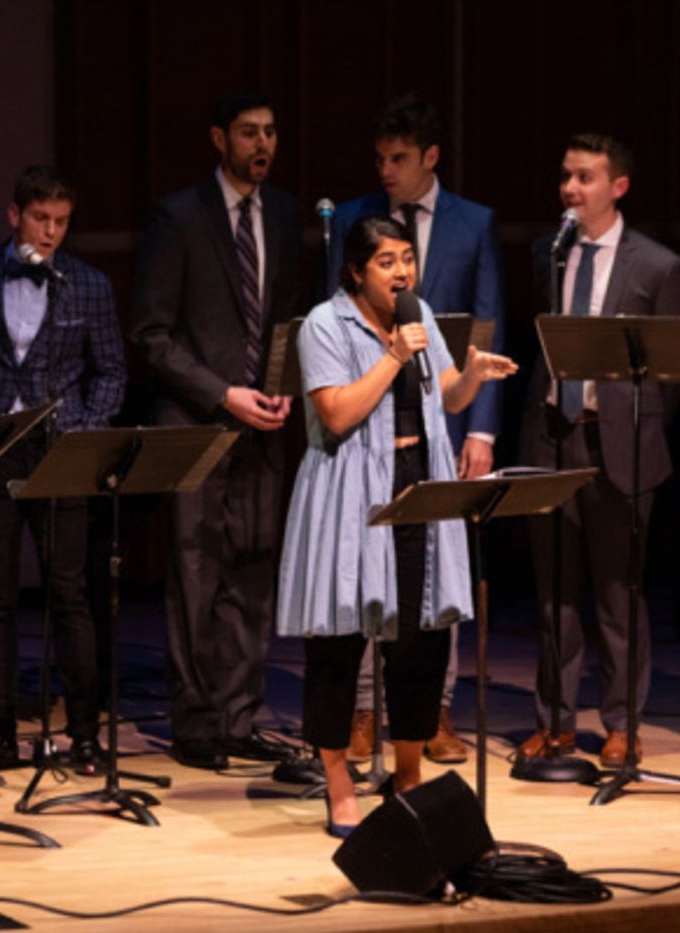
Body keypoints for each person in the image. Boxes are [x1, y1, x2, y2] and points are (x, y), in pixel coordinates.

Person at [278, 216, 516, 836]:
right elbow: (336, 414)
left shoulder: (419, 314)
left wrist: (471, 375)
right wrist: (392, 356)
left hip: (417, 484)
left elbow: (447, 397)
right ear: (357, 271)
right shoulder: (324, 324)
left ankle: (407, 774)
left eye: (407, 257)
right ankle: (339, 781)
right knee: (339, 643)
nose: (403, 271)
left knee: (420, 638)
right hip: (349, 494)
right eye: (387, 261)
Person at [325, 94, 507, 764]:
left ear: (430, 157)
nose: (386, 170)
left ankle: (434, 713)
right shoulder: (353, 221)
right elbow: (332, 325)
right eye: (379, 158)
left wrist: (480, 430)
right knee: (369, 572)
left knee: (436, 572)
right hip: (366, 428)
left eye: (398, 158)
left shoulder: (474, 223)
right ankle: (365, 710)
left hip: (434, 425)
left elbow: (486, 324)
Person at [130, 90, 301, 771]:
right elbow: (151, 334)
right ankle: (196, 719)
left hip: (265, 424)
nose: (263, 144)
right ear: (219, 139)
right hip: (197, 423)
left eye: (270, 132)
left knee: (253, 572)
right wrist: (221, 393)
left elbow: (286, 318)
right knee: (196, 575)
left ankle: (238, 715)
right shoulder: (178, 216)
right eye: (249, 132)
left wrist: (283, 386)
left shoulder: (283, 213)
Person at [516, 134, 680, 768]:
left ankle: (622, 723)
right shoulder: (549, 252)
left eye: (584, 177)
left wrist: (631, 428)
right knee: (553, 594)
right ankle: (556, 722)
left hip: (617, 444)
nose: (570, 188)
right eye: (566, 175)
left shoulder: (657, 266)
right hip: (551, 438)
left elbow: (672, 377)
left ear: (618, 187)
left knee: (619, 595)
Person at [0, 166, 125, 773]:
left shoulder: (87, 284)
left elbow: (111, 371)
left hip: (60, 450)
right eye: (40, 219)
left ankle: (84, 734)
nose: (50, 232)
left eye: (61, 222)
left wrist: (85, 435)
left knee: (70, 594)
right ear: (14, 215)